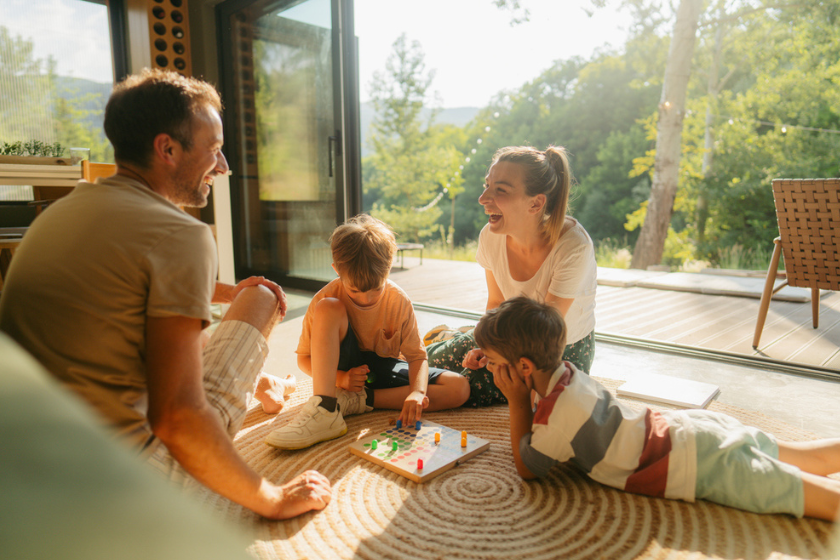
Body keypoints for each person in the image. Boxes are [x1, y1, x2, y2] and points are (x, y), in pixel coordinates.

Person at [0, 69, 330, 519]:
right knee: (262, 299)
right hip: (120, 482)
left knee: (213, 313)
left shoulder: (63, 212)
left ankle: (260, 383)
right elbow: (178, 419)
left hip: (27, 458)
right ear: (167, 149)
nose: (223, 166)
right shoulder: (181, 235)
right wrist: (273, 499)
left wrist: (224, 291)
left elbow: (128, 281)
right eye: (214, 150)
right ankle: (257, 388)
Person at [476, 296, 840, 522]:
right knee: (810, 458)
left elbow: (527, 468)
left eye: (493, 362)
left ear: (524, 368)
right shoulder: (568, 374)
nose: (491, 367)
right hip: (694, 428)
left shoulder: (556, 418)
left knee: (822, 501)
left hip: (695, 462)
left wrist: (517, 401)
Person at [265, 214, 470, 450]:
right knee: (328, 308)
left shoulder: (399, 300)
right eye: (354, 290)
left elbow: (417, 356)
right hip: (342, 371)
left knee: (460, 388)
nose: (367, 298)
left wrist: (416, 392)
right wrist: (341, 378)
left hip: (383, 369)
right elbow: (304, 359)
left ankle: (359, 402)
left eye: (376, 289)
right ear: (336, 270)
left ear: (389, 267)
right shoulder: (324, 298)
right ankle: (326, 408)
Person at [426, 145, 597, 407]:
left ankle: (453, 337)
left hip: (554, 350)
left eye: (500, 190)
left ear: (536, 203)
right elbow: (495, 302)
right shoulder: (490, 236)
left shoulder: (574, 246)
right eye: (487, 186)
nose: (483, 198)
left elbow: (545, 332)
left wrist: (494, 354)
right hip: (508, 335)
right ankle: (452, 339)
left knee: (465, 385)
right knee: (428, 361)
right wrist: (484, 345)